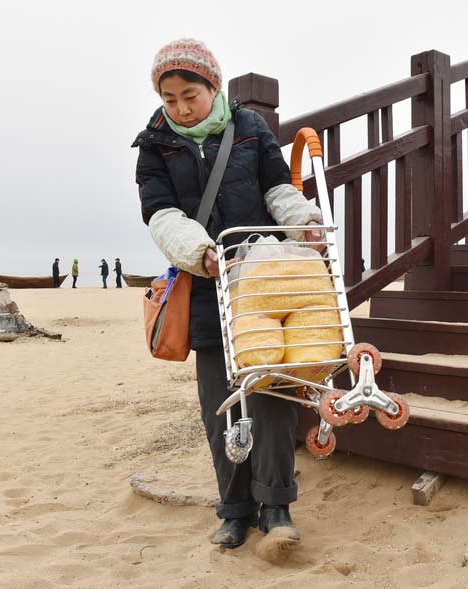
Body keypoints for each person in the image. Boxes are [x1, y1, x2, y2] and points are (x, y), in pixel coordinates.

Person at [133, 39, 325, 550]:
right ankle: (235, 511)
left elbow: (277, 189)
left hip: (260, 286)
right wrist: (202, 254)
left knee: (270, 394)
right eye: (169, 98)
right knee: (221, 405)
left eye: (189, 95)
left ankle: (277, 507)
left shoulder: (250, 129)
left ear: (212, 86)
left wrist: (303, 222)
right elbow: (161, 214)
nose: (180, 108)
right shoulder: (153, 144)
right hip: (204, 284)